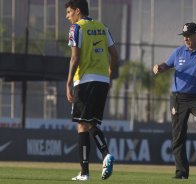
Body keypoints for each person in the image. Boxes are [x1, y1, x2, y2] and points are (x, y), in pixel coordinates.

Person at [153, 22, 196, 179]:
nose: (186, 39)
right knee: (178, 136)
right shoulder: (178, 52)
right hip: (178, 99)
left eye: (189, 36)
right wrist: (159, 67)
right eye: (184, 36)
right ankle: (181, 173)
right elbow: (166, 65)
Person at [65, 0, 118, 181]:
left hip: (85, 81)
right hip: (102, 80)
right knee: (91, 123)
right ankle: (103, 156)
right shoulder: (102, 26)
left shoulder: (76, 28)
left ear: (78, 11)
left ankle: (87, 171)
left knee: (82, 124)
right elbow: (115, 54)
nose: (67, 16)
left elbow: (75, 57)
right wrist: (108, 75)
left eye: (69, 12)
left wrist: (68, 81)